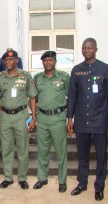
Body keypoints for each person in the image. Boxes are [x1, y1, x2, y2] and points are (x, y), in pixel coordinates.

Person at [67, 38, 108, 201]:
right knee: (82, 156)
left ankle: (99, 187)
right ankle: (82, 183)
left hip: (100, 120)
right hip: (81, 120)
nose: (86, 50)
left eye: (89, 48)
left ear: (95, 49)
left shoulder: (105, 69)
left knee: (101, 157)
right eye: (83, 47)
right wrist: (69, 118)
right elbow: (72, 96)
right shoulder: (76, 70)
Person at [0, 50, 37, 190]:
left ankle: (22, 178)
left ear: (16, 60)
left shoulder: (25, 76)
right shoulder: (0, 77)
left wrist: (33, 117)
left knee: (22, 149)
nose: (8, 62)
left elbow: (32, 97)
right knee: (6, 149)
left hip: (21, 116)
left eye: (11, 60)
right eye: (6, 60)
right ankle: (8, 177)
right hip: (5, 116)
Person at [33, 51, 69, 192]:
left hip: (58, 118)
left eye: (50, 60)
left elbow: (70, 96)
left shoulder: (64, 77)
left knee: (61, 151)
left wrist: (69, 118)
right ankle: (42, 178)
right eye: (45, 60)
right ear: (42, 62)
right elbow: (33, 98)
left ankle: (62, 181)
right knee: (42, 151)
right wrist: (34, 117)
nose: (48, 62)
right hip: (42, 119)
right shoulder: (37, 79)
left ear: (55, 61)